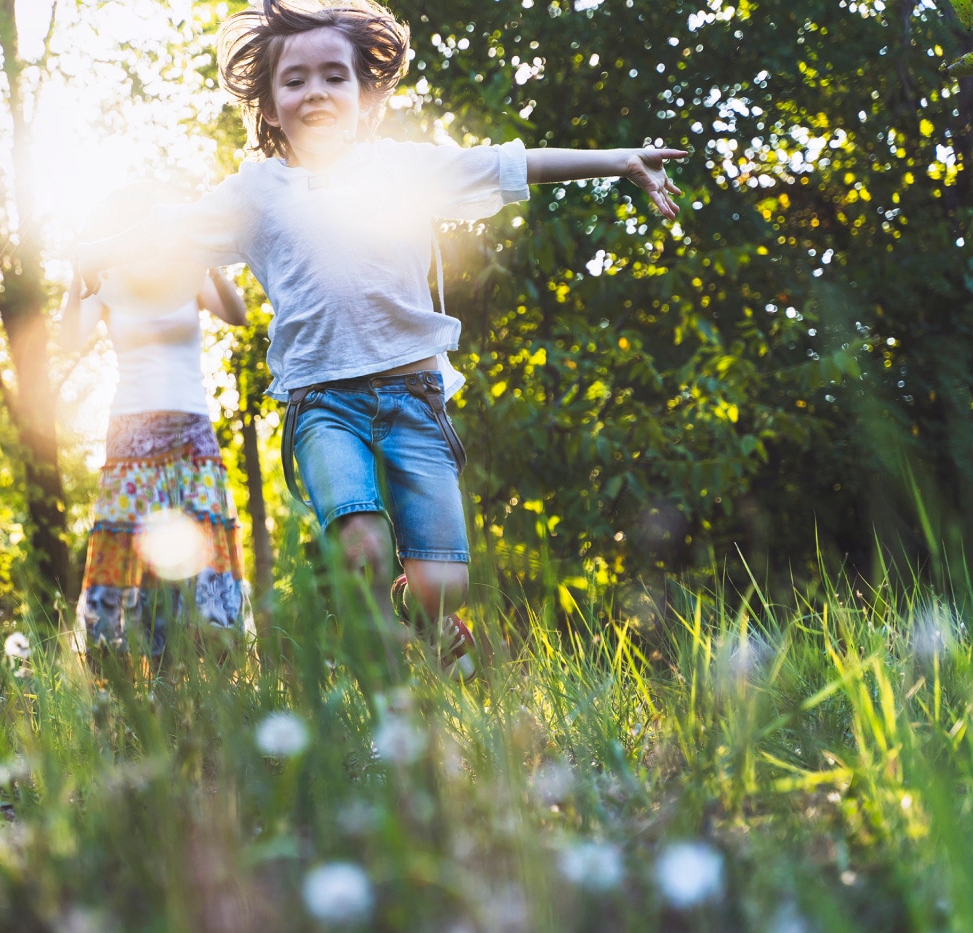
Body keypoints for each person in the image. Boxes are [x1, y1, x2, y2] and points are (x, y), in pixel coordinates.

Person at [77, 0, 686, 677]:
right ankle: (377, 676)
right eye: (295, 80)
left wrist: (621, 160)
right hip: (322, 405)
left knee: (443, 586)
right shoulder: (257, 193)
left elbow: (508, 166)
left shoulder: (404, 171)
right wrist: (96, 248)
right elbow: (170, 225)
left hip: (414, 397)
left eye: (334, 76)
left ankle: (424, 618)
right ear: (271, 106)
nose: (316, 92)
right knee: (361, 544)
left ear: (366, 97)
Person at [63, 183, 251, 663]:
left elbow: (238, 314)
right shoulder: (106, 283)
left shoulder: (186, 276)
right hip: (130, 436)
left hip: (192, 430)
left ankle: (206, 675)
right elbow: (68, 341)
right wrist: (75, 274)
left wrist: (203, 255)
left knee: (200, 550)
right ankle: (145, 682)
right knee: (139, 559)